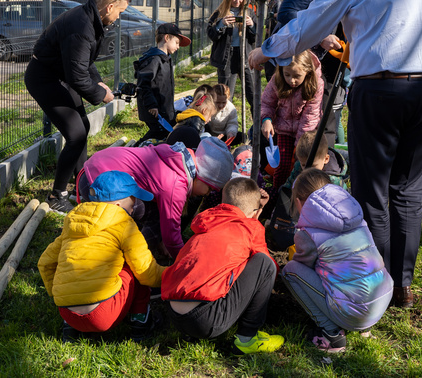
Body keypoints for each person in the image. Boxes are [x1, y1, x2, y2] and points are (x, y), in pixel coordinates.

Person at [249, 0, 422, 309]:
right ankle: (404, 283)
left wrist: (268, 49)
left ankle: (378, 282)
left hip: (381, 87)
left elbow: (312, 22)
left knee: (372, 189)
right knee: (409, 189)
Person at [25, 0, 131, 213]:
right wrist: (100, 94)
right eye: (119, 13)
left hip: (60, 75)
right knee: (75, 135)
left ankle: (81, 187)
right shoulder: (82, 26)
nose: (118, 19)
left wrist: (98, 81)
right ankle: (57, 195)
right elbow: (76, 75)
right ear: (109, 7)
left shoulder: (90, 17)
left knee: (81, 129)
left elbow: (82, 62)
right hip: (45, 79)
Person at [37, 171, 166, 342]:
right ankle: (141, 323)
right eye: (132, 203)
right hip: (103, 315)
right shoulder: (124, 223)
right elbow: (146, 271)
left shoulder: (73, 222)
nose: (134, 208)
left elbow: (45, 263)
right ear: (119, 206)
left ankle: (70, 329)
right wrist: (170, 276)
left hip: (67, 313)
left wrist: (60, 293)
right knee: (132, 267)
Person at [161, 177, 284, 356]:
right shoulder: (250, 228)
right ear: (254, 212)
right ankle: (246, 339)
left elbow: (241, 220)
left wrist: (256, 209)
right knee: (265, 265)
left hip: (174, 314)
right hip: (206, 320)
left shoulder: (206, 223)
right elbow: (267, 269)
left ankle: (192, 334)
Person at [282, 169, 393, 353]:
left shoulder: (308, 234)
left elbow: (302, 265)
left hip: (354, 313)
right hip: (380, 300)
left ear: (299, 202)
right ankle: (364, 328)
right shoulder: (354, 215)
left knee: (291, 270)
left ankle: (331, 334)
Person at [78, 137, 234, 262]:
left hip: (91, 170)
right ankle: (132, 258)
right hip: (98, 184)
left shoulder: (176, 156)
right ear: (203, 177)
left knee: (155, 213)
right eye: (210, 189)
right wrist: (184, 260)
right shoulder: (176, 185)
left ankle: (141, 247)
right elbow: (171, 235)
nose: (206, 194)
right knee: (160, 220)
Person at [276, 0, 348, 148]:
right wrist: (320, 37)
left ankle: (323, 167)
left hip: (330, 64)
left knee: (326, 121)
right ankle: (293, 167)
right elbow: (287, 14)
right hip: (297, 63)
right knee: (291, 121)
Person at [260, 50, 324, 191]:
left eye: (297, 76)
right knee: (282, 166)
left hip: (306, 133)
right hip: (284, 129)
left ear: (307, 71)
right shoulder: (277, 79)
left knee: (300, 166)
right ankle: (278, 193)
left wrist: (298, 146)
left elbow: (310, 117)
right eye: (287, 75)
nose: (291, 80)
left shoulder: (316, 84)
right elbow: (267, 102)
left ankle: (299, 193)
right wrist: (267, 119)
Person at [134, 23, 191, 141]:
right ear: (166, 38)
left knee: (164, 134)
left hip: (164, 108)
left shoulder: (165, 59)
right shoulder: (154, 59)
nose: (178, 46)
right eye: (176, 42)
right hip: (155, 110)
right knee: (158, 133)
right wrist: (151, 105)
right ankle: (135, 150)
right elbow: (144, 84)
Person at [208, 0, 256, 112]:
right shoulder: (219, 13)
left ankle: (258, 126)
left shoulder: (249, 12)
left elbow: (255, 38)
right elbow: (211, 35)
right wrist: (221, 24)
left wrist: (251, 25)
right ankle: (226, 126)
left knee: (253, 94)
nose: (237, 0)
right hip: (226, 58)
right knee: (226, 95)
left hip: (245, 56)